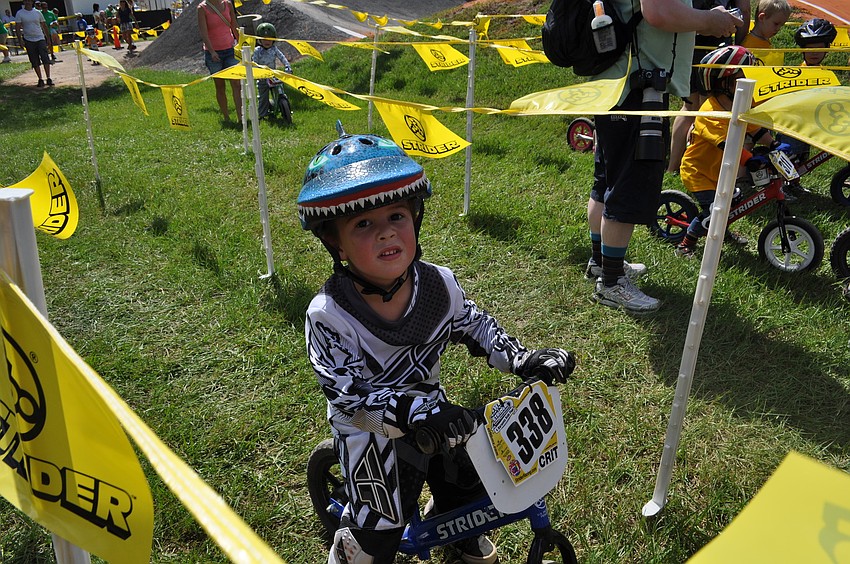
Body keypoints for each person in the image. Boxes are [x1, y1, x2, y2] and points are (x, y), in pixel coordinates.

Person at [299, 123, 576, 564]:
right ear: (335, 242)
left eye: (397, 217)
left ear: (415, 217)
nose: (387, 233)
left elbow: (476, 326)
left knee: (471, 481)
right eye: (364, 224)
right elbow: (353, 402)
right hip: (371, 433)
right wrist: (413, 413)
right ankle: (351, 550)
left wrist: (524, 359)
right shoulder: (329, 315)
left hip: (435, 411)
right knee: (380, 531)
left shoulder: (438, 285)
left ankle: (459, 531)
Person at [584, 0, 742, 314]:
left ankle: (602, 264)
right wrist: (710, 20)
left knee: (607, 181)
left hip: (620, 83)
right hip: (638, 87)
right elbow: (659, 12)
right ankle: (612, 283)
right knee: (627, 185)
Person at [675, 46, 780, 258]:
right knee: (713, 211)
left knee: (731, 204)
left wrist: (773, 145)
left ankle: (721, 230)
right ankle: (686, 243)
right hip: (699, 172)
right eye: (741, 78)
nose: (749, 82)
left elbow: (755, 129)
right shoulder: (709, 113)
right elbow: (728, 145)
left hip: (722, 170)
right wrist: (750, 160)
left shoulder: (740, 102)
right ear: (723, 83)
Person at [667, 0, 749, 175]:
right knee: (708, 110)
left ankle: (672, 167)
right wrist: (740, 46)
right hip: (718, 49)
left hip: (688, 41)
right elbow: (745, 10)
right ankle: (698, 167)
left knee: (689, 107)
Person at [198, 0, 242, 122]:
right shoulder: (202, 8)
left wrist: (240, 44)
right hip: (214, 53)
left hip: (230, 50)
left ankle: (240, 117)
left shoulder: (227, 4)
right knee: (220, 85)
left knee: (236, 84)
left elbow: (234, 25)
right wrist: (212, 51)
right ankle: (226, 117)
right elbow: (204, 33)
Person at [251, 22, 291, 119]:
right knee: (263, 97)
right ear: (259, 40)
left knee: (280, 90)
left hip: (273, 76)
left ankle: (285, 108)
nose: (267, 41)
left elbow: (282, 57)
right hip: (262, 78)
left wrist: (287, 66)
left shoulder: (274, 49)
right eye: (264, 39)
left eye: (269, 39)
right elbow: (254, 62)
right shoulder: (257, 51)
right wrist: (256, 71)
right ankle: (262, 114)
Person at [740, 0, 791, 65]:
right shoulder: (749, 46)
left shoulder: (764, 39)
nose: (778, 29)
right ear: (762, 17)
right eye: (776, 24)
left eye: (781, 25)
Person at [15, 0, 53, 87]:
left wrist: (48, 38)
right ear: (24, 2)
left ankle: (48, 78)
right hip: (28, 39)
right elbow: (17, 28)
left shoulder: (38, 13)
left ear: (32, 2)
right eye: (26, 1)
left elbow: (44, 25)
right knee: (34, 60)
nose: (28, 2)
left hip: (40, 38)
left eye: (29, 1)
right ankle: (40, 79)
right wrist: (20, 40)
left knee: (45, 58)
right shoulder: (20, 13)